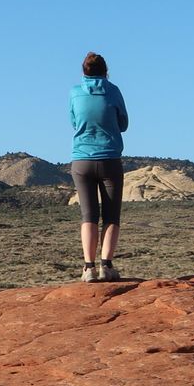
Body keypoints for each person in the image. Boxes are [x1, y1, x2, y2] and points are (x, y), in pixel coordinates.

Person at [69, 51, 128, 282]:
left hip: (81, 160)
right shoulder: (113, 91)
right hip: (110, 159)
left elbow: (73, 121)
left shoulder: (74, 93)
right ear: (106, 72)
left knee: (88, 215)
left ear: (84, 72)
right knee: (111, 216)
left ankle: (88, 268)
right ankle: (107, 266)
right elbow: (123, 123)